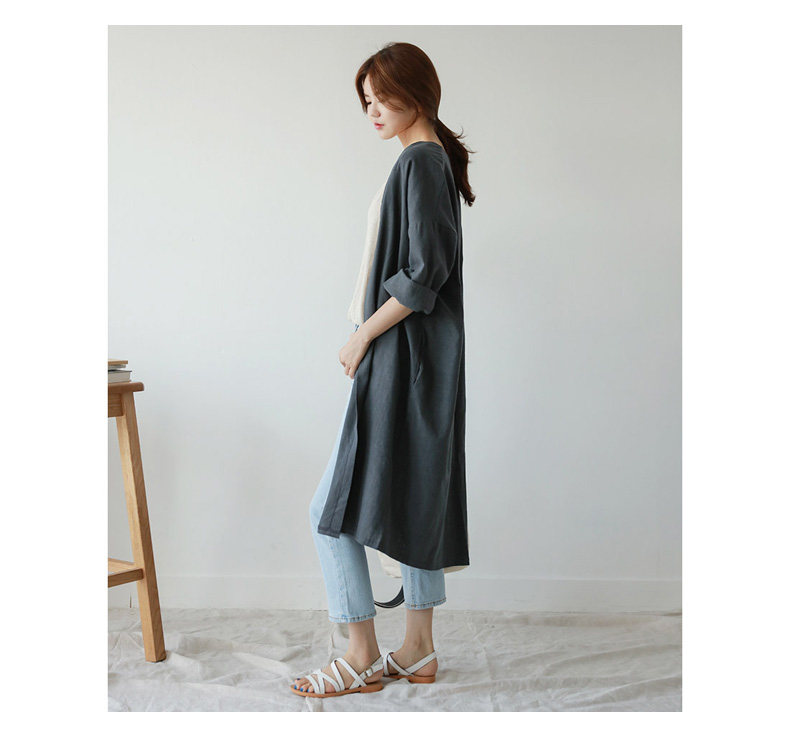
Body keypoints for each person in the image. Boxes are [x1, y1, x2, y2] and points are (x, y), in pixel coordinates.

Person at [291, 41, 475, 698]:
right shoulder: (428, 158)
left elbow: (426, 271)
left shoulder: (420, 161)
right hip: (421, 361)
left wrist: (364, 334)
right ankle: (418, 648)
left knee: (330, 510)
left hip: (402, 357)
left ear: (415, 94)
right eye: (365, 101)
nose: (371, 111)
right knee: (415, 493)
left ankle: (360, 650)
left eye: (381, 98)